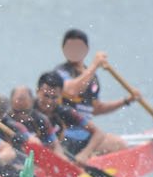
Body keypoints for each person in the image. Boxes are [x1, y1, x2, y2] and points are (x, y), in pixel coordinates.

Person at [52, 29, 132, 158]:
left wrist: (126, 101)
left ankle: (89, 160)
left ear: (86, 49)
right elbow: (71, 90)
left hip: (86, 133)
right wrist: (94, 65)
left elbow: (96, 108)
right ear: (63, 49)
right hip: (64, 134)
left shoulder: (92, 78)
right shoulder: (59, 72)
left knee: (119, 144)